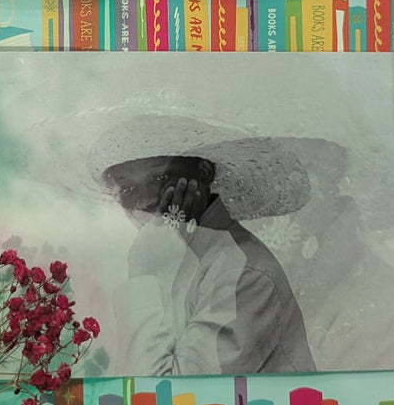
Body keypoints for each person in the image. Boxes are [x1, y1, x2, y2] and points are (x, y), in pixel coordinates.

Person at [98, 130, 336, 376]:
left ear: (204, 172)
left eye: (161, 176)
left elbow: (165, 402)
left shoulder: (245, 272)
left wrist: (143, 271)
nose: (145, 199)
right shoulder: (170, 260)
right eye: (127, 188)